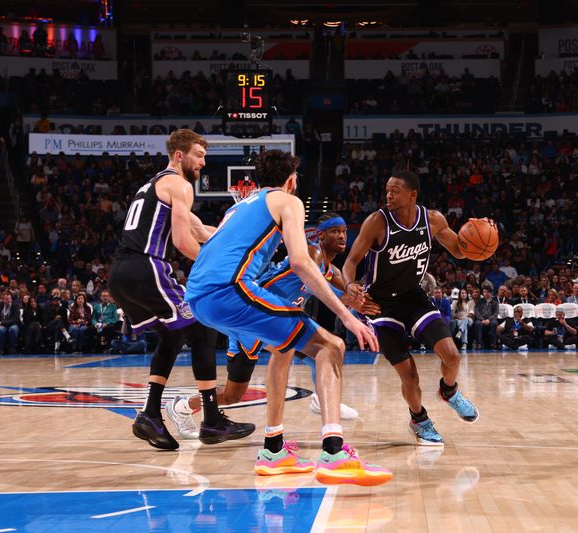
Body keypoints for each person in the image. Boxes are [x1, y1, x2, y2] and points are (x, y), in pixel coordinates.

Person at [185, 150, 390, 486]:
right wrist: (348, 317)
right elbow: (300, 262)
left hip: (199, 296)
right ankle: (335, 453)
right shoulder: (288, 202)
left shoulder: (240, 206)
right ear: (292, 180)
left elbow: (209, 241)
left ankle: (273, 450)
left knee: (283, 348)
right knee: (331, 345)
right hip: (231, 290)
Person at [108, 129, 255, 451]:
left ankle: (149, 415)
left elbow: (199, 229)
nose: (203, 162)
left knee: (174, 335)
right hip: (146, 266)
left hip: (120, 274)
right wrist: (221, 269)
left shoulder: (156, 185)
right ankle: (212, 421)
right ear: (179, 155)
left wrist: (245, 242)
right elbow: (182, 241)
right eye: (199, 155)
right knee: (201, 328)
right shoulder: (180, 184)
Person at [165, 213, 373, 439]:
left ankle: (317, 403)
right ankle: (182, 407)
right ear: (321, 235)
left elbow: (345, 292)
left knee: (322, 350)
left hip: (274, 323)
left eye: (344, 231)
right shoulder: (312, 253)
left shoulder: (331, 270)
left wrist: (360, 301)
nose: (342, 236)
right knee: (234, 394)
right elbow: (316, 285)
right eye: (335, 231)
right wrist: (344, 302)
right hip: (251, 318)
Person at [342, 170, 480, 447]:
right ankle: (419, 420)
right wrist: (349, 287)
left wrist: (481, 236)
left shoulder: (433, 220)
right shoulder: (377, 222)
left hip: (413, 297)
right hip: (380, 305)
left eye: (395, 191)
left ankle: (449, 391)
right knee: (409, 374)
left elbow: (461, 251)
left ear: (412, 195)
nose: (388, 195)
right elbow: (351, 261)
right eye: (387, 190)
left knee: (452, 356)